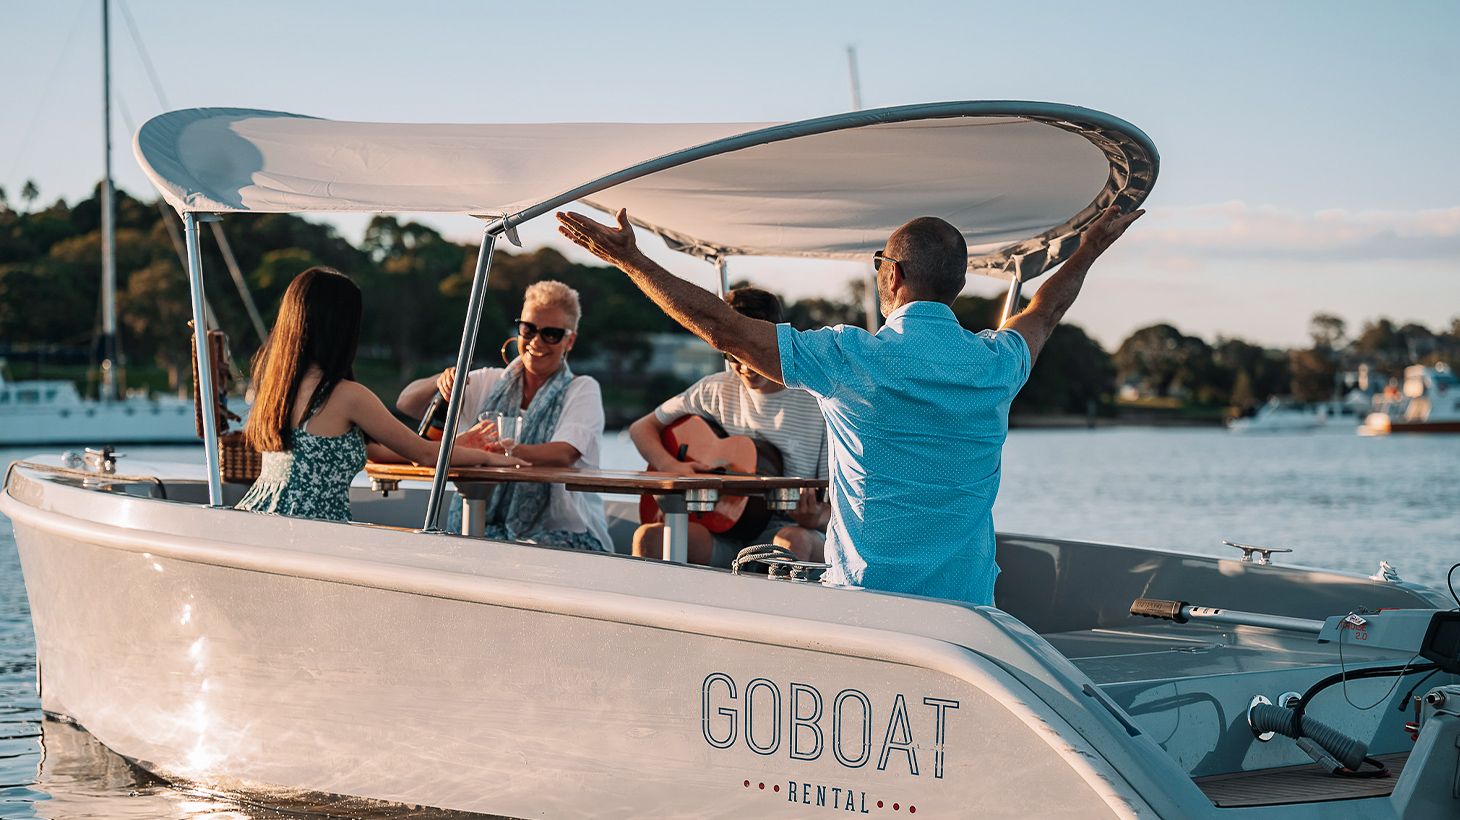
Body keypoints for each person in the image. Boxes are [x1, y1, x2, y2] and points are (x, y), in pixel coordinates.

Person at [556, 205, 1142, 604]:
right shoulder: (997, 364)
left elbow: (722, 327)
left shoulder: (849, 357)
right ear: (957, 286)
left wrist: (630, 260)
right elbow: (1043, 312)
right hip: (969, 606)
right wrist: (1088, 250)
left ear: (893, 276)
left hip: (869, 601)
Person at [237, 267, 523, 522]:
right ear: (342, 329)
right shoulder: (347, 396)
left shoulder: (276, 390)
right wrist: (487, 458)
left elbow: (380, 451)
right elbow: (422, 454)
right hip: (309, 531)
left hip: (260, 520)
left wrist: (461, 445)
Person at [397, 280, 612, 552]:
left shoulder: (582, 389)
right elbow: (407, 404)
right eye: (528, 329)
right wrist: (439, 381)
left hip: (565, 531)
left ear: (570, 340)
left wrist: (488, 453)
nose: (537, 341)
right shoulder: (488, 381)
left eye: (551, 334)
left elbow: (564, 453)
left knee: (489, 551)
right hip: (482, 524)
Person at [630, 287, 829, 567]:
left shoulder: (817, 404)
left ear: (773, 341)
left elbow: (838, 509)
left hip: (788, 532)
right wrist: (673, 464)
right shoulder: (716, 389)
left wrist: (817, 517)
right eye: (733, 355)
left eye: (753, 353)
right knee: (650, 538)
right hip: (722, 531)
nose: (744, 365)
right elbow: (641, 428)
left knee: (791, 541)